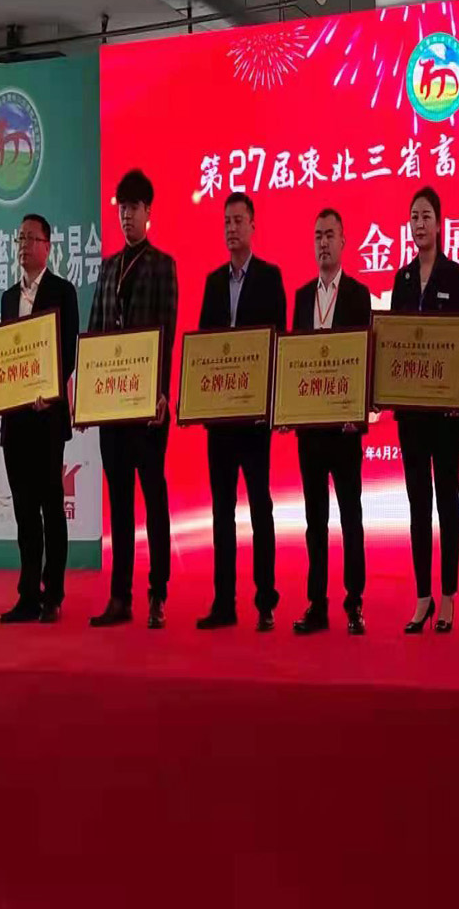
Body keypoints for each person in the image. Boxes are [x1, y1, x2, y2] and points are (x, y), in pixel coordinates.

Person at [89, 169, 179, 629]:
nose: (127, 215)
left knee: (154, 497)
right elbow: (94, 335)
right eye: (121, 208)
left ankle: (157, 592)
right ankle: (119, 596)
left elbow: (167, 331)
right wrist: (87, 396)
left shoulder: (163, 265)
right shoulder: (107, 268)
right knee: (120, 503)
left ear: (148, 212)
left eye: (134, 207)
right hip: (110, 407)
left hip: (148, 408)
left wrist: (161, 392)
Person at [195, 192, 288, 632]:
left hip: (252, 418)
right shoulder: (213, 282)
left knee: (260, 508)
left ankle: (265, 600)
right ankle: (224, 602)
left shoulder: (270, 277)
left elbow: (278, 341)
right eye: (226, 222)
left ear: (253, 225)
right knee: (221, 510)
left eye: (238, 221)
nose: (231, 229)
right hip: (220, 420)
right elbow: (204, 347)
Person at [289, 208, 373, 636]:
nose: (323, 243)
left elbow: (365, 359)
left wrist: (359, 416)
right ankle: (317, 603)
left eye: (330, 235)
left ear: (344, 242)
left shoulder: (358, 295)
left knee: (351, 517)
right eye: (318, 236)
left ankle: (354, 602)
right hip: (310, 431)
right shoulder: (302, 296)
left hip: (344, 430)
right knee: (314, 520)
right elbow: (293, 361)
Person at [391, 186, 459, 634]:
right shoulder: (401, 279)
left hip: (444, 415)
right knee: (418, 502)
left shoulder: (453, 275)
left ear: (439, 224)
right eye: (414, 217)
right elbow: (393, 343)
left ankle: (449, 595)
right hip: (410, 415)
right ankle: (423, 595)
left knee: (448, 500)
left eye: (426, 217)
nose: (419, 224)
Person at [0, 214, 79, 625]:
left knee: (50, 506)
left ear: (48, 246)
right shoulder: (8, 297)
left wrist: (50, 390)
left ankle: (53, 593)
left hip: (47, 417)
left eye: (32, 239)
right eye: (20, 239)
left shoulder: (63, 291)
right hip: (16, 421)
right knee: (24, 511)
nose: (24, 246)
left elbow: (68, 351)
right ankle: (28, 593)